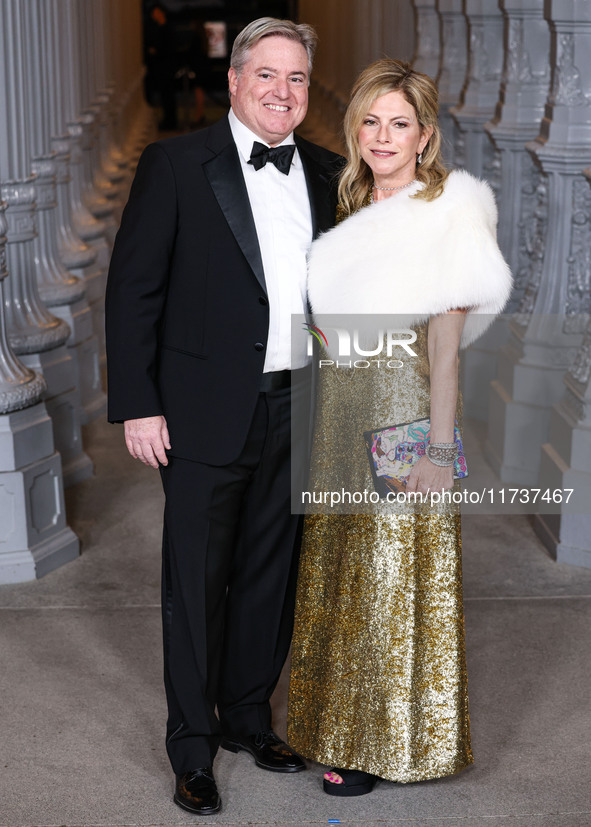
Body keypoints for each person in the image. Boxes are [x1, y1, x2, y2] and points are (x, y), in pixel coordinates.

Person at [105, 17, 342, 816]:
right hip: (203, 410)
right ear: (235, 80)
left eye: (298, 78)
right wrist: (138, 402)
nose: (283, 92)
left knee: (271, 575)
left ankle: (247, 716)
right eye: (268, 75)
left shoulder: (326, 172)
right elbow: (134, 290)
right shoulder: (174, 164)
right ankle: (191, 745)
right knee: (196, 581)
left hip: (297, 404)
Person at [287, 59, 512, 797]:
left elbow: (445, 353)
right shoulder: (350, 203)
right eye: (371, 121)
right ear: (355, 129)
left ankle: (380, 744)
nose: (382, 135)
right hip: (338, 420)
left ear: (424, 137)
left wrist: (440, 452)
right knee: (339, 576)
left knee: (391, 579)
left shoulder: (444, 214)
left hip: (404, 419)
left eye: (399, 124)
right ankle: (334, 725)